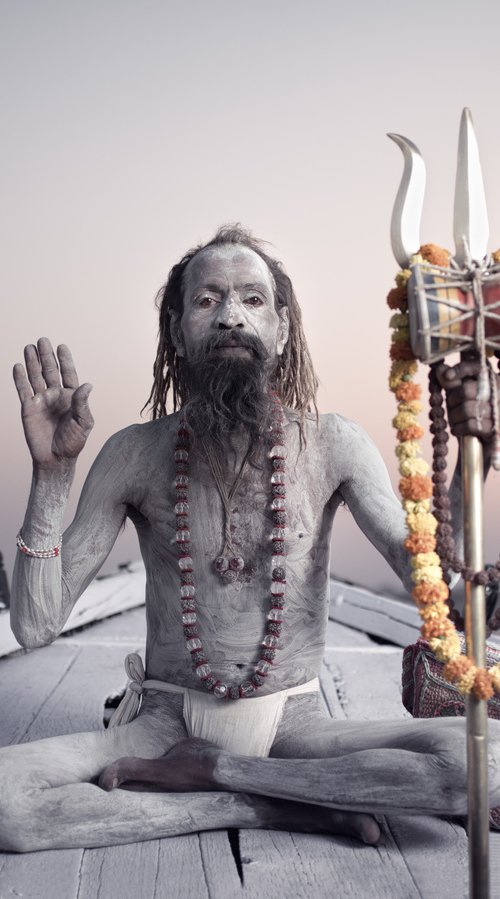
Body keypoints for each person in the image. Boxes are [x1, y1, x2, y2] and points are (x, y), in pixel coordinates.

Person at [2, 226, 500, 853]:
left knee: (483, 765)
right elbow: (36, 627)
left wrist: (471, 459)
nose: (231, 316)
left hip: (297, 724)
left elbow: (439, 588)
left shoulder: (333, 445)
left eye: (252, 300)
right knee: (5, 804)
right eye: (208, 301)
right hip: (161, 726)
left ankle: (218, 775)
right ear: (178, 331)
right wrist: (52, 477)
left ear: (283, 330)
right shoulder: (133, 453)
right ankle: (263, 805)